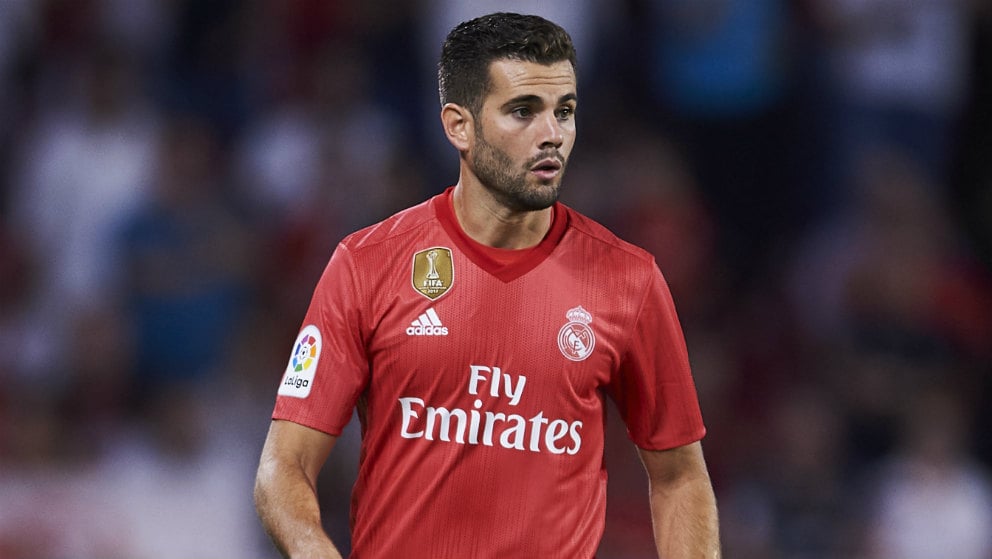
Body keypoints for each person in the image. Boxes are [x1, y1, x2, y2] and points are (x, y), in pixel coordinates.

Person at [254, 12, 720, 559]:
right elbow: (282, 467)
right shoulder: (368, 264)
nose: (552, 134)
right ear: (459, 125)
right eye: (523, 111)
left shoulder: (629, 281)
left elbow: (679, 477)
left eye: (564, 112)